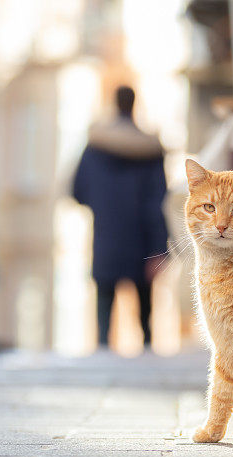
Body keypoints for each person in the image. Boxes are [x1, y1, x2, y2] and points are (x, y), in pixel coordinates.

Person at [72, 86, 168, 347]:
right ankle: (147, 351)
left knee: (104, 305)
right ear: (134, 104)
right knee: (145, 313)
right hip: (143, 240)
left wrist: (103, 205)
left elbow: (77, 191)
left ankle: (103, 350)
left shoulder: (95, 146)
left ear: (115, 103)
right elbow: (158, 201)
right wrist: (161, 248)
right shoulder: (150, 149)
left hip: (106, 238)